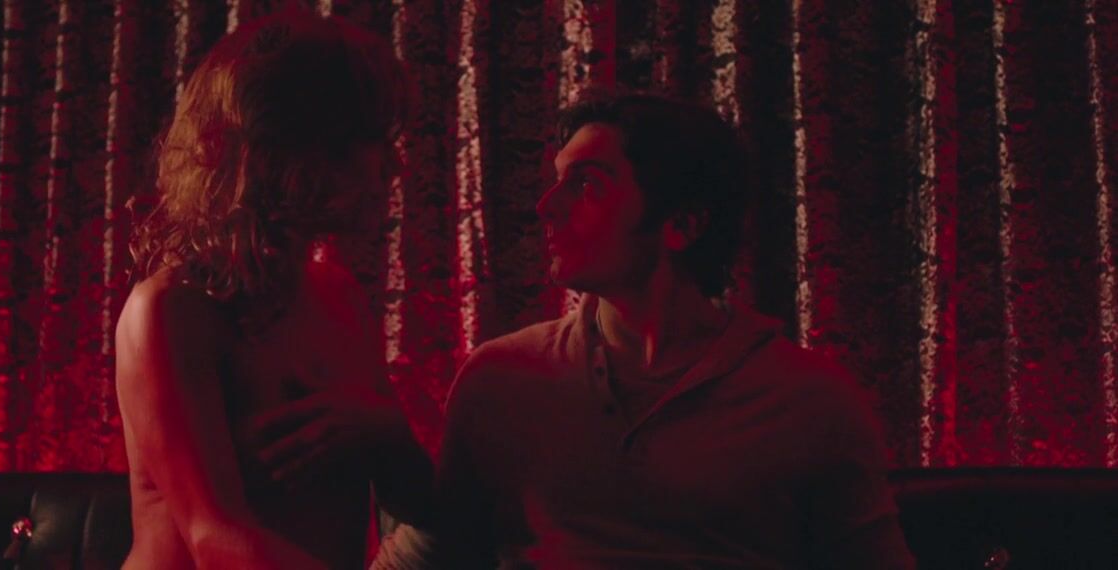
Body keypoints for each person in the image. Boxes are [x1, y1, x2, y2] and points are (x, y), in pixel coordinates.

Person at [373, 92, 915, 569]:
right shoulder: (502, 378)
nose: (546, 206)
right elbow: (435, 551)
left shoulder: (807, 399)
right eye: (558, 180)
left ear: (682, 224)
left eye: (587, 184)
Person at [116, 10, 431, 570]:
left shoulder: (338, 297)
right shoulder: (171, 309)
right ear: (292, 149)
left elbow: (419, 503)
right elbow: (215, 539)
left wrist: (385, 433)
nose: (394, 165)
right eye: (370, 139)